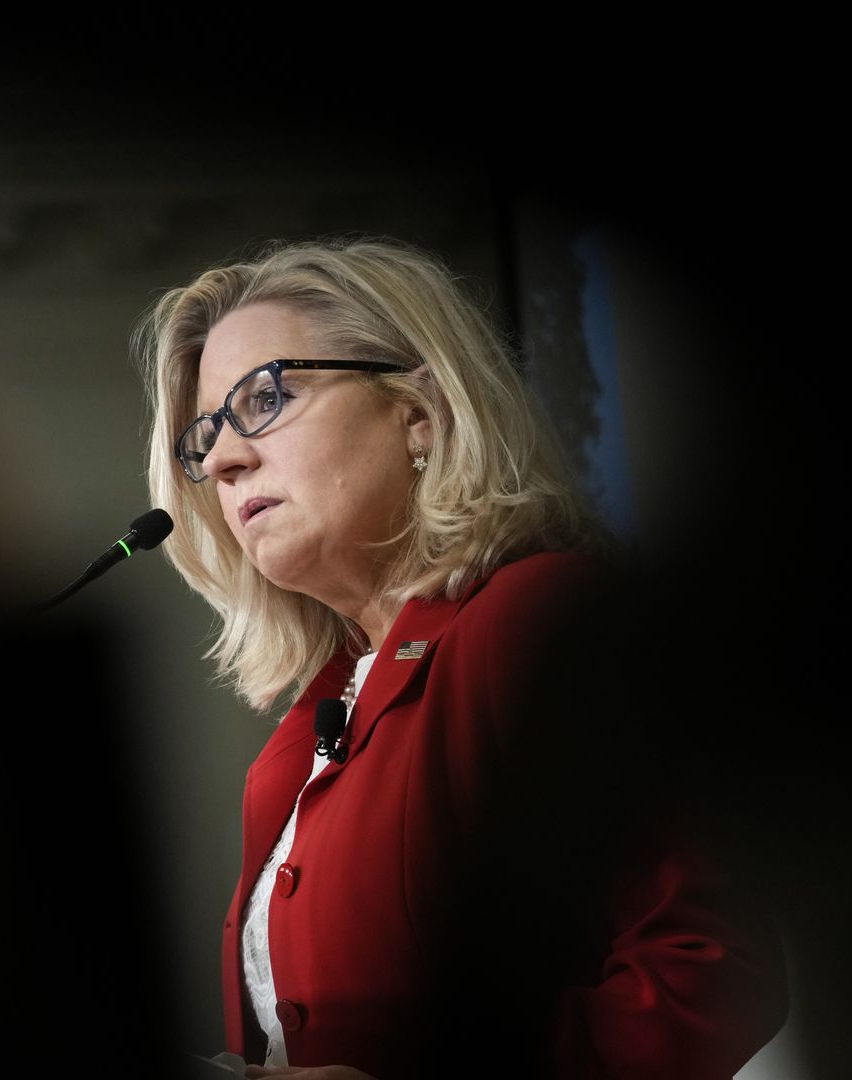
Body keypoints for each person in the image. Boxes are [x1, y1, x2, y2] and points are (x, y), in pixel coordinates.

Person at [136, 235, 789, 1079]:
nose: (224, 459)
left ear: (420, 409)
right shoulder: (301, 736)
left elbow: (711, 965)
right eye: (206, 436)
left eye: (266, 398)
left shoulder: (534, 617)